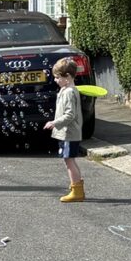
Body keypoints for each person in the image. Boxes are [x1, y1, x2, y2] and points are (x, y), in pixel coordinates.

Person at [44, 58, 85, 203]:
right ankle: (76, 187)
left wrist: (54, 123)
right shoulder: (66, 89)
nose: (55, 80)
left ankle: (77, 191)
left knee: (69, 161)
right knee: (69, 160)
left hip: (69, 132)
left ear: (67, 77)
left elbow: (70, 115)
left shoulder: (69, 92)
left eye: (57, 77)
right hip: (67, 132)